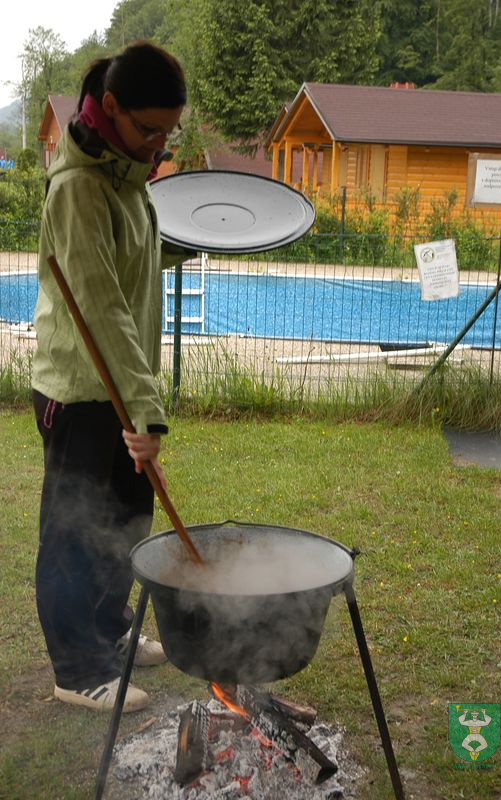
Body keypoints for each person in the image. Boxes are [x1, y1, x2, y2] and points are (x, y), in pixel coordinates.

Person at [32, 41, 191, 713]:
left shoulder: (127, 178)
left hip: (120, 383)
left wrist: (195, 238)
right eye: (148, 129)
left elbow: (131, 263)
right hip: (81, 388)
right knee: (76, 532)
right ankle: (75, 669)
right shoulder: (79, 189)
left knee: (124, 522)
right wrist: (146, 413)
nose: (159, 145)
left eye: (167, 132)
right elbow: (102, 311)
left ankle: (109, 628)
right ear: (112, 107)